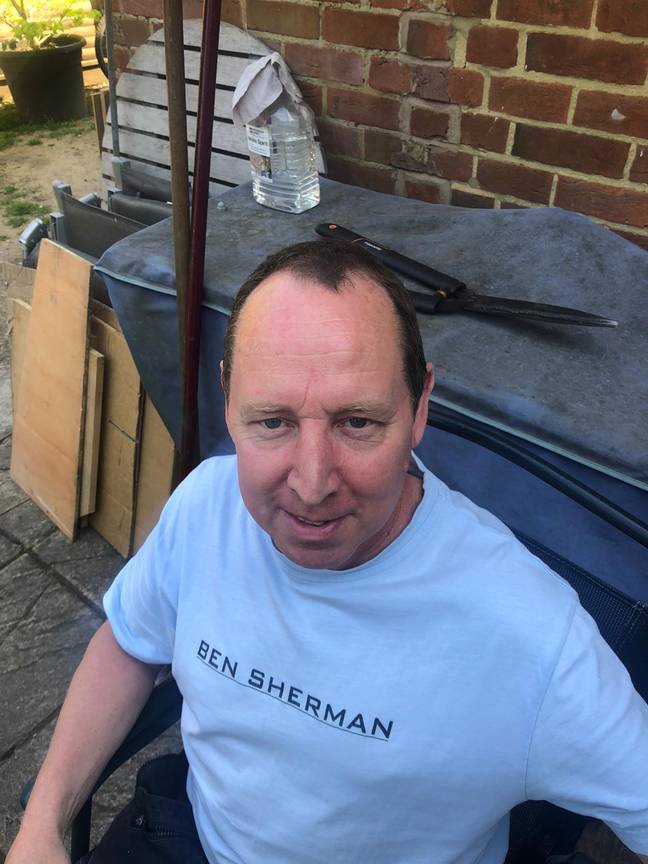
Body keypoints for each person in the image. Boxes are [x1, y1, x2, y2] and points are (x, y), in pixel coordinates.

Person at [7, 240, 648, 864]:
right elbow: (129, 643)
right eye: (273, 421)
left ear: (419, 406)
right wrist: (44, 825)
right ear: (227, 398)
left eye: (357, 422)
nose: (312, 485)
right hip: (190, 836)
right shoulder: (206, 505)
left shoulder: (532, 638)